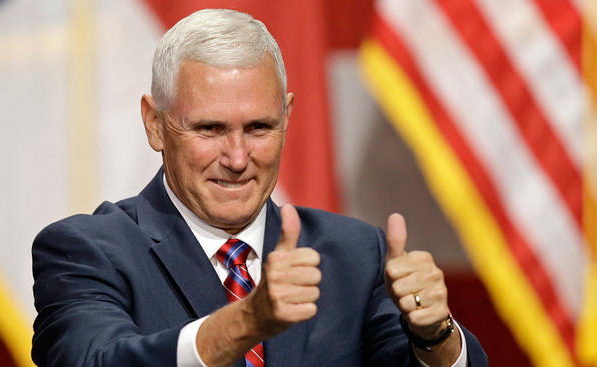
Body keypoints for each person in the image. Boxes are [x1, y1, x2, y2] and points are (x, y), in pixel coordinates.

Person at [31, 8, 487, 367]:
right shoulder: (85, 250)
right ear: (155, 125)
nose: (236, 157)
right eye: (209, 129)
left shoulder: (355, 253)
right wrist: (247, 320)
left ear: (287, 117)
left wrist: (436, 336)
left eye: (259, 127)